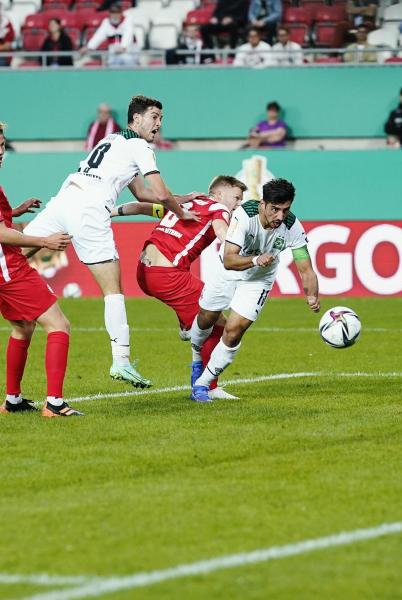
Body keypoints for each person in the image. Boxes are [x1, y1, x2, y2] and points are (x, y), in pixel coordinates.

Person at [23, 96, 198, 389]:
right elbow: (158, 191)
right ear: (136, 119)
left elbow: (143, 194)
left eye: (161, 118)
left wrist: (177, 199)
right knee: (112, 290)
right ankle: (121, 361)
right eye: (154, 116)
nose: (159, 124)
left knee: (15, 253)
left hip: (64, 199)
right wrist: (181, 211)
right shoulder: (140, 146)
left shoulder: (112, 139)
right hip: (90, 210)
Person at [188, 178, 320, 402]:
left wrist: (311, 295)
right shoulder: (244, 216)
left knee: (235, 329)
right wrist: (257, 259)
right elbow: (229, 260)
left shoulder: (292, 226)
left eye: (285, 210)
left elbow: (305, 267)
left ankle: (202, 384)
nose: (280, 216)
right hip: (228, 272)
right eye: (274, 209)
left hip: (258, 280)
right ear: (263, 203)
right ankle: (196, 357)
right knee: (206, 318)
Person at [131, 176, 246, 401]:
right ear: (220, 195)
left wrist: (110, 212)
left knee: (203, 313)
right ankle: (206, 386)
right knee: (219, 325)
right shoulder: (219, 209)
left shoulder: (185, 204)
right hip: (167, 276)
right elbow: (223, 233)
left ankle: (187, 325)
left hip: (144, 272)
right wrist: (239, 246)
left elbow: (141, 207)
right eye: (236, 198)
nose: (238, 204)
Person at [0, 122, 78, 417]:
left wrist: (13, 212)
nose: (0, 151)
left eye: (2, 144)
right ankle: (55, 404)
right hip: (8, 268)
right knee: (59, 325)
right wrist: (43, 240)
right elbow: (2, 234)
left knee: (22, 327)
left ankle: (12, 400)